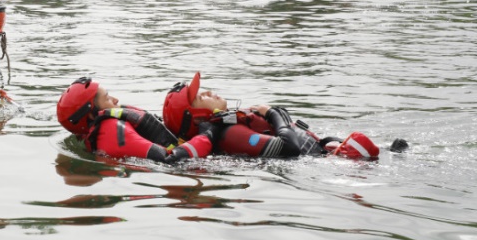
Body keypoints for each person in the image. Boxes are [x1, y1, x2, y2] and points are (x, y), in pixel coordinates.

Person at [161, 72, 379, 159]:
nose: (208, 92)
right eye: (201, 97)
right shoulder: (231, 134)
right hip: (335, 163)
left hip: (328, 153)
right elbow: (289, 148)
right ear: (198, 117)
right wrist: (275, 114)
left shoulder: (231, 123)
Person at [56, 77, 217, 164]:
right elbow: (170, 160)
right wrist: (208, 133)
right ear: (92, 114)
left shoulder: (107, 124)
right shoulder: (111, 131)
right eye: (107, 98)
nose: (115, 99)